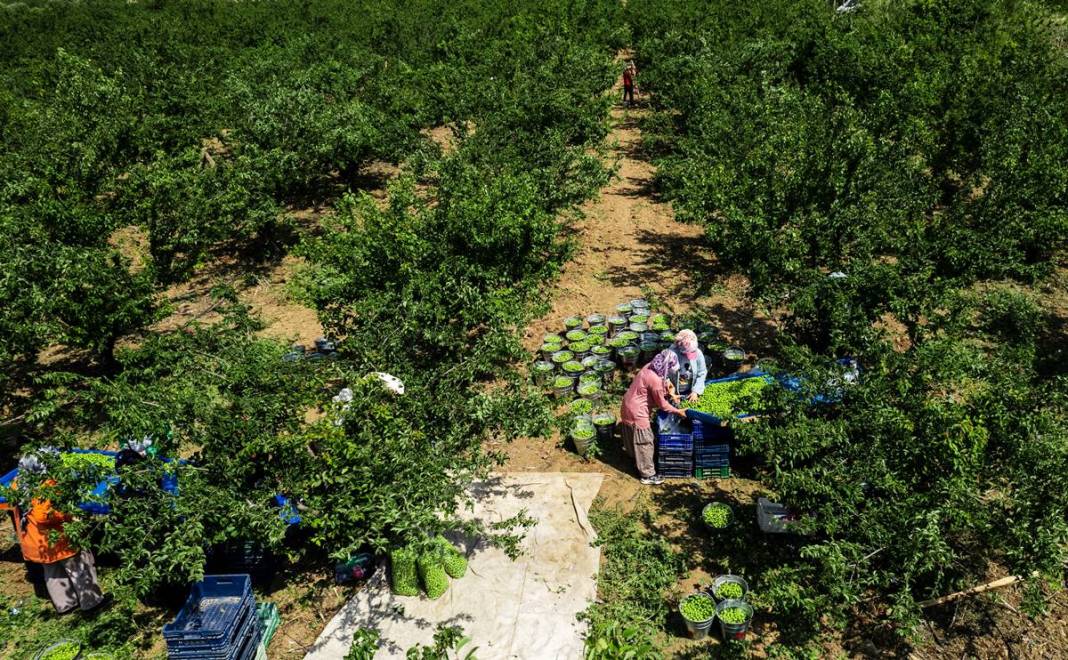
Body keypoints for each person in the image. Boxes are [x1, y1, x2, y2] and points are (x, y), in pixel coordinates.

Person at [12, 455, 107, 614]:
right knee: (79, 567)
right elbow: (43, 515)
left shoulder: (18, 484)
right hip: (55, 540)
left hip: (36, 542)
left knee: (52, 572)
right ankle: (92, 602)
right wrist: (68, 515)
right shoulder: (46, 485)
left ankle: (65, 605)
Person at [620, 349, 686, 485]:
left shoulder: (650, 366)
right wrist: (678, 411)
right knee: (645, 442)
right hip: (637, 412)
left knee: (633, 436)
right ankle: (647, 475)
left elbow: (660, 384)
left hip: (627, 405)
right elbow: (662, 405)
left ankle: (636, 459)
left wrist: (671, 394)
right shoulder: (655, 380)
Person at [668, 329, 708, 403]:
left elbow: (702, 372)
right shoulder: (671, 354)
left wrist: (696, 391)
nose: (691, 355)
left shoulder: (698, 353)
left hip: (690, 390)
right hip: (674, 390)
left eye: (693, 352)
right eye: (688, 353)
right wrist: (672, 393)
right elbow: (664, 375)